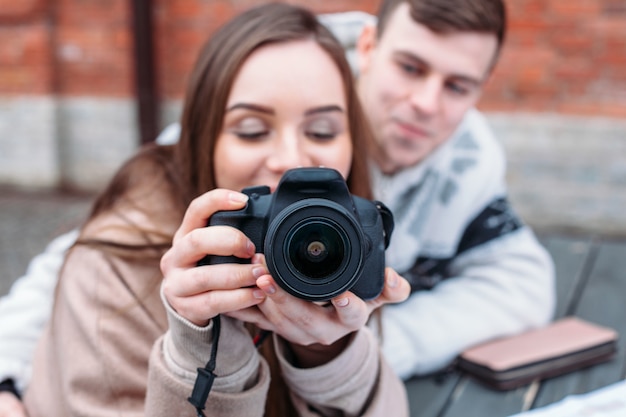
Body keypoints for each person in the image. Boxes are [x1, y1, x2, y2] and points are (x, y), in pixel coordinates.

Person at [0, 0, 555, 410]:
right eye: (410, 68)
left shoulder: (469, 161)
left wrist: (350, 343)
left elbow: (522, 277)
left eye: (459, 86)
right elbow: (93, 255)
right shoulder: (177, 176)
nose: (426, 104)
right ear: (368, 49)